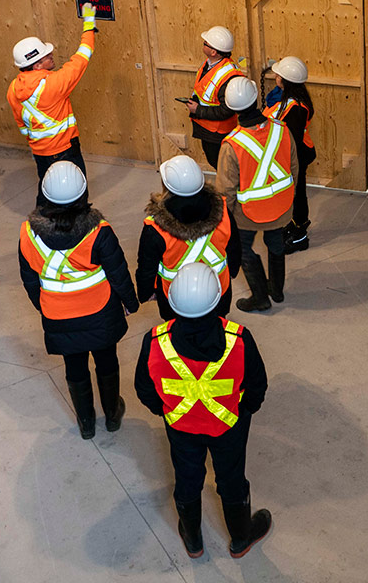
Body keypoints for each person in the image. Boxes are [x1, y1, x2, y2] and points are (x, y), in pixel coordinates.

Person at [134, 262, 270, 559]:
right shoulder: (239, 339)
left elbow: (144, 389)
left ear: (171, 301)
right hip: (229, 427)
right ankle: (240, 537)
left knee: (187, 478)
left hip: (181, 429)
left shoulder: (155, 341)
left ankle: (193, 538)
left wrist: (166, 411)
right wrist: (244, 410)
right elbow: (257, 386)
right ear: (219, 298)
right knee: (231, 479)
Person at [19, 161, 139, 439]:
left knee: (74, 367)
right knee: (107, 361)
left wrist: (45, 306)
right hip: (101, 313)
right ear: (83, 195)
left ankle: (86, 423)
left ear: (45, 195)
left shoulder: (27, 232)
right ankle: (112, 415)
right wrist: (130, 303)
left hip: (58, 317)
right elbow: (118, 273)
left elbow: (29, 279)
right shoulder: (99, 231)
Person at [215, 77, 297, 313]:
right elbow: (294, 168)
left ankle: (260, 297)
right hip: (281, 207)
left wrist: (224, 222)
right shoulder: (282, 130)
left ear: (231, 108)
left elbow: (225, 191)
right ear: (256, 99)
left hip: (247, 214)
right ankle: (277, 291)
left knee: (242, 249)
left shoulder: (231, 145)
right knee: (275, 245)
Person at [7, 3, 97, 204]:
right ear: (36, 64)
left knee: (49, 190)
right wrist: (89, 23)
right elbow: (83, 56)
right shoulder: (53, 85)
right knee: (76, 193)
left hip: (40, 152)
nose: (51, 55)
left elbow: (21, 123)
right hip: (64, 149)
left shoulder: (13, 88)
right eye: (46, 56)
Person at [136, 155, 241, 320]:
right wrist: (233, 270)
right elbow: (234, 246)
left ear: (166, 186)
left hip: (174, 299)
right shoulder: (223, 211)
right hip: (219, 292)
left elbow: (146, 268)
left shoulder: (155, 227)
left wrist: (145, 293)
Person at [263, 56, 317, 253]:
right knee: (292, 191)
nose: (275, 76)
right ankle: (295, 224)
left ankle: (300, 231)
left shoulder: (297, 108)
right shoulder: (284, 99)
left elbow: (291, 138)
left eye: (279, 75)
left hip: (296, 156)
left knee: (297, 192)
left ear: (285, 80)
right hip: (287, 155)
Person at [185, 26, 245, 168]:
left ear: (213, 52)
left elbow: (226, 110)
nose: (203, 43)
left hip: (217, 133)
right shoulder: (209, 64)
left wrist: (198, 110)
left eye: (206, 43)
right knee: (216, 162)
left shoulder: (228, 76)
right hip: (207, 129)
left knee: (222, 166)